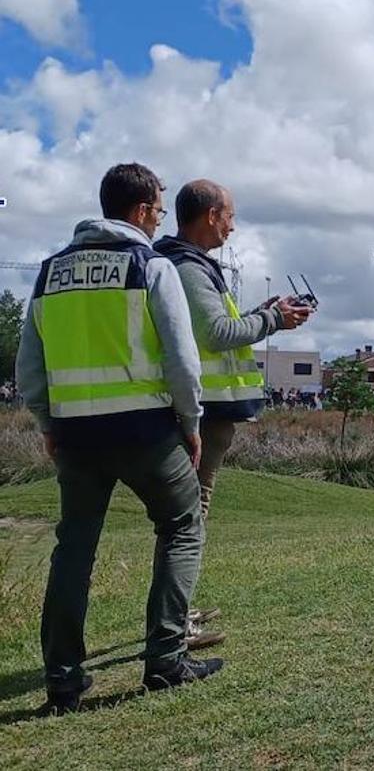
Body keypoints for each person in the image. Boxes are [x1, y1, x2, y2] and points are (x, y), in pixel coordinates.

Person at [16, 163, 223, 713]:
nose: (159, 219)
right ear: (140, 211)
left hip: (76, 434)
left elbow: (29, 367)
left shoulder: (49, 272)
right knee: (182, 526)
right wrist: (191, 422)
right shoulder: (151, 266)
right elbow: (182, 359)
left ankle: (63, 679)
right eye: (157, 210)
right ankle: (165, 658)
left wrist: (47, 422)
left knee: (75, 548)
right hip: (145, 430)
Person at [155, 180, 312, 643]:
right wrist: (274, 320)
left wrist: (261, 313)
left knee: (189, 516)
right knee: (189, 517)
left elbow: (216, 326)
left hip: (205, 410)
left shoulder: (187, 265)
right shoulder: (188, 268)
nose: (233, 225)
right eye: (230, 215)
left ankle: (177, 613)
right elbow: (218, 334)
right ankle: (174, 625)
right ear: (209, 216)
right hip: (201, 412)